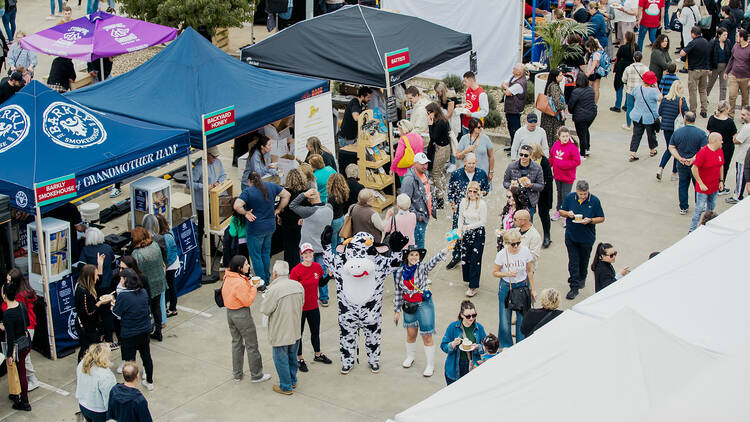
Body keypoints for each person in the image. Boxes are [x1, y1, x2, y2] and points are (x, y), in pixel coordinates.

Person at [394, 241, 453, 377]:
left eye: (416, 255)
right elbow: (398, 292)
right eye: (412, 255)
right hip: (408, 305)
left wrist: (446, 250)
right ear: (407, 257)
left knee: (427, 335)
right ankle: (410, 357)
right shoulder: (400, 272)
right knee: (411, 333)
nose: (414, 257)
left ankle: (430, 365)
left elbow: (434, 260)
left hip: (424, 304)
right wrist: (397, 310)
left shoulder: (422, 267)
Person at [233, 172, 291, 284]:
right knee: (266, 252)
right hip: (270, 226)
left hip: (255, 228)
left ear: (249, 181)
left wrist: (245, 213)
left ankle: (261, 281)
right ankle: (267, 278)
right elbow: (286, 195)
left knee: (256, 256)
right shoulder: (271, 186)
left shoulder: (248, 192)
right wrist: (278, 209)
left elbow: (236, 205)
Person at [221, 256, 270, 383]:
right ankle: (256, 375)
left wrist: (248, 283)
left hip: (230, 313)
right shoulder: (239, 282)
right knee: (252, 344)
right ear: (239, 268)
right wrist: (254, 287)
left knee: (236, 343)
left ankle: (237, 374)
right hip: (241, 314)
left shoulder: (229, 277)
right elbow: (247, 300)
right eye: (246, 264)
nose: (248, 266)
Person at [260, 261, 304, 395]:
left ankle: (286, 386)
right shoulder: (298, 285)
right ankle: (293, 380)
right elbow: (302, 302)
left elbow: (266, 309)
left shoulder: (274, 289)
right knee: (292, 357)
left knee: (281, 359)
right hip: (295, 328)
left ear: (274, 274)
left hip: (280, 331)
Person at [559, 180, 606, 299]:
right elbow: (561, 211)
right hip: (571, 236)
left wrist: (590, 220)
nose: (583, 196)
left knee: (584, 261)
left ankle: (582, 277)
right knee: (573, 262)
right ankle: (574, 287)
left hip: (586, 238)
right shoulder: (570, 197)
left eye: (585, 194)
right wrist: (567, 214)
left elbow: (601, 218)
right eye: (581, 194)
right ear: (577, 192)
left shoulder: (594, 201)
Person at [290, 244, 332, 373]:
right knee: (299, 334)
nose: (308, 255)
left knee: (315, 332)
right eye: (305, 253)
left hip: (313, 306)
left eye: (310, 253)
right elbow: (292, 290)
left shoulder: (317, 267)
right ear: (301, 255)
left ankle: (318, 354)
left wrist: (329, 276)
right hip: (300, 308)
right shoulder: (296, 271)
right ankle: (299, 358)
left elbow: (321, 283)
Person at [112, 269, 155, 390]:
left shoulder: (123, 296)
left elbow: (117, 314)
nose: (120, 281)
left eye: (121, 279)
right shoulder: (144, 292)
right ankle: (150, 381)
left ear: (126, 280)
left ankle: (131, 385)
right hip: (144, 331)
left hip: (129, 333)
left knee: (130, 361)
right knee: (146, 356)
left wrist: (112, 304)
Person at [290, 188, 333, 306]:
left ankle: (306, 296)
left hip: (307, 248)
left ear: (309, 200)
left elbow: (292, 205)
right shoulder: (329, 208)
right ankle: (324, 297)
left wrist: (303, 194)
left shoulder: (308, 212)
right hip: (322, 246)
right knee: (322, 272)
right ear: (319, 195)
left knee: (305, 273)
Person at [493, 228, 536, 348]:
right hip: (507, 286)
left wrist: (533, 288)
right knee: (504, 319)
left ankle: (520, 345)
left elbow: (529, 270)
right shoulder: (501, 254)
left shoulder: (525, 251)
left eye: (518, 243)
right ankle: (506, 345)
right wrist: (507, 274)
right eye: (513, 244)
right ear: (506, 243)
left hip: (522, 285)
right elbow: (495, 272)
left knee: (522, 318)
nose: (516, 246)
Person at [446, 153, 490, 269]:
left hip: (475, 210)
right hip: (460, 210)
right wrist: (453, 204)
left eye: (474, 163)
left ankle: (469, 256)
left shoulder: (481, 174)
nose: (471, 166)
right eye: (469, 163)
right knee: (457, 232)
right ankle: (456, 256)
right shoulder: (456, 174)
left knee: (473, 235)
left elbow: (486, 188)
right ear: (464, 162)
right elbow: (451, 191)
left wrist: (479, 194)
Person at [2, 269, 39, 390]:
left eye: (9, 281)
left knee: (24, 357)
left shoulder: (19, 296)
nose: (7, 283)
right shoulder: (23, 291)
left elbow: (11, 309)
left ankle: (33, 379)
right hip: (28, 326)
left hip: (26, 328)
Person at [130, 227, 166, 342]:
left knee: (145, 310)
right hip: (159, 281)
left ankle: (145, 333)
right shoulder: (155, 245)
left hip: (145, 286)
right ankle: (158, 331)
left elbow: (135, 272)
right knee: (156, 308)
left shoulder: (136, 254)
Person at [188, 145, 227, 250]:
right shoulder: (199, 168)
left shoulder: (217, 162)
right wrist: (204, 187)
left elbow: (223, 175)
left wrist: (218, 182)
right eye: (213, 157)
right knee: (201, 228)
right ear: (207, 155)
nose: (215, 159)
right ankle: (199, 252)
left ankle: (212, 248)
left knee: (212, 224)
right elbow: (189, 184)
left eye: (215, 157)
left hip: (213, 201)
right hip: (202, 203)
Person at [670, 111, 709, 213]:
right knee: (698, 185)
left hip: (682, 164)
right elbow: (704, 149)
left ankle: (683, 207)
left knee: (683, 184)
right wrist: (693, 159)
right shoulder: (701, 134)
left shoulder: (677, 132)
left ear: (685, 120)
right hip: (696, 165)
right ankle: (699, 205)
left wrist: (679, 158)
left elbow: (671, 147)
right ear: (694, 120)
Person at [440, 300, 487, 385]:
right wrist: (453, 344)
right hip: (454, 367)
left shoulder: (479, 328)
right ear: (462, 315)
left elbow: (486, 346)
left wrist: (478, 347)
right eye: (468, 316)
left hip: (472, 365)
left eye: (474, 315)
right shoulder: (453, 327)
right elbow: (443, 346)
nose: (471, 318)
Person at [3, 279, 32, 411]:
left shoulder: (7, 314)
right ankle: (17, 395)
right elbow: (26, 322)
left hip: (17, 348)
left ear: (4, 295)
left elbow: (10, 337)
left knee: (20, 373)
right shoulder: (21, 305)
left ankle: (24, 401)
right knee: (21, 371)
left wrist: (9, 355)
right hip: (26, 342)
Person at [690, 132, 725, 231]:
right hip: (703, 189)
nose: (722, 141)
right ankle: (692, 230)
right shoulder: (703, 152)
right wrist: (700, 183)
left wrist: (721, 181)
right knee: (699, 209)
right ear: (714, 141)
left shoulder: (719, 150)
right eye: (720, 140)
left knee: (711, 208)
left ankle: (705, 227)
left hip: (714, 187)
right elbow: (694, 168)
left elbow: (721, 165)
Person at [457, 181, 487, 297]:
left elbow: (483, 221)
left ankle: (473, 286)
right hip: (466, 232)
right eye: (470, 191)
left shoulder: (482, 204)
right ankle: (469, 278)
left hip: (478, 232)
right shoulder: (464, 202)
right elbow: (460, 217)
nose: (472, 194)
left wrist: (468, 227)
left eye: (475, 191)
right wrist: (460, 231)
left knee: (475, 259)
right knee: (466, 256)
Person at [75, 261, 108, 362]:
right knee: (86, 349)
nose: (97, 277)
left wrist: (100, 265)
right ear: (89, 277)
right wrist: (99, 303)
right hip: (86, 327)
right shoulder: (82, 292)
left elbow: (99, 281)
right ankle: (81, 366)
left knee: (93, 348)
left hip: (93, 324)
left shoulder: (89, 286)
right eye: (96, 275)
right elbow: (88, 312)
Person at [658, 80, 691, 181]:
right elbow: (687, 114)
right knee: (677, 150)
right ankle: (674, 172)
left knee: (669, 148)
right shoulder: (681, 100)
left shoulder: (665, 99)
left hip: (666, 128)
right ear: (679, 89)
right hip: (677, 129)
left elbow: (660, 112)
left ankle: (661, 168)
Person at [76, 343, 117, 422]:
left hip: (83, 404)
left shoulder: (82, 364)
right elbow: (108, 397)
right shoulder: (106, 375)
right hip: (98, 411)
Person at [401, 153, 434, 249]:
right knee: (417, 246)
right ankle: (416, 263)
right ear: (415, 163)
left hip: (424, 216)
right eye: (422, 164)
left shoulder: (425, 173)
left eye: (426, 163)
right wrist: (417, 216)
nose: (425, 166)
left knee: (420, 242)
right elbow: (404, 202)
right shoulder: (409, 180)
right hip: (417, 220)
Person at [502, 144, 545, 217]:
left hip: (529, 201)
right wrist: (510, 185)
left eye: (526, 155)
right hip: (514, 200)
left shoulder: (537, 168)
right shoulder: (512, 166)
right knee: (512, 222)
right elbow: (505, 182)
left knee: (527, 224)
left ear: (531, 156)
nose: (523, 157)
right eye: (521, 154)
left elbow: (541, 186)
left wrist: (531, 185)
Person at [550, 127, 582, 221]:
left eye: (567, 136)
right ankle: (558, 211)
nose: (565, 138)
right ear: (559, 137)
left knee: (566, 196)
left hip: (568, 177)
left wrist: (563, 165)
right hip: (557, 176)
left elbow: (577, 161)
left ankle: (566, 215)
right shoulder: (556, 145)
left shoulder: (572, 147)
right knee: (559, 194)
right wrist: (548, 165)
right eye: (563, 136)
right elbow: (552, 157)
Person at [628, 70, 661, 161]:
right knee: (651, 134)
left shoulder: (637, 88)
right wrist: (656, 87)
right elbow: (660, 98)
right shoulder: (654, 91)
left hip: (637, 116)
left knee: (636, 134)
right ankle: (652, 150)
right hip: (649, 117)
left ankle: (633, 153)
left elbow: (633, 95)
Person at [706, 100, 737, 195]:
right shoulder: (729, 122)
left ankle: (711, 184)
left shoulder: (712, 118)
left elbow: (708, 129)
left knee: (712, 166)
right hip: (726, 148)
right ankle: (721, 186)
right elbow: (734, 136)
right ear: (726, 109)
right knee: (724, 166)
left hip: (712, 146)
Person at [680, 26, 712, 118]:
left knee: (693, 91)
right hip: (704, 69)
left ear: (693, 33)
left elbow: (682, 53)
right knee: (703, 90)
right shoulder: (706, 42)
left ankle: (693, 111)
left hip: (694, 70)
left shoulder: (693, 43)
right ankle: (704, 110)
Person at [426, 102, 451, 208]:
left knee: (436, 173)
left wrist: (430, 125)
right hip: (442, 147)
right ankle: (439, 194)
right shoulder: (442, 120)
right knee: (439, 172)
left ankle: (440, 198)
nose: (428, 116)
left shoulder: (440, 122)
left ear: (434, 112)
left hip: (441, 149)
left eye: (428, 113)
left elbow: (434, 137)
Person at [279, 169, 306, 267]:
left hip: (287, 222)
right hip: (299, 222)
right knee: (298, 245)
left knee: (288, 245)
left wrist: (279, 216)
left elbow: (281, 207)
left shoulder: (285, 192)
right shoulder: (304, 193)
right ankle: (297, 265)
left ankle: (289, 265)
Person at [155, 215, 179, 318]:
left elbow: (167, 255)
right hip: (173, 262)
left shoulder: (164, 238)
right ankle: (171, 308)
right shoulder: (169, 232)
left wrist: (163, 266)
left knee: (168, 286)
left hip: (169, 265)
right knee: (171, 286)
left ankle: (169, 308)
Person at [569, 73, 598, 156]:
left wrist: (571, 112)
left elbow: (571, 105)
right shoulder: (590, 89)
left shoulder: (576, 91)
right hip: (591, 114)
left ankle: (582, 153)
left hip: (580, 116)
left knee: (581, 134)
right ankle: (587, 148)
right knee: (585, 130)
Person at [532, 144, 554, 248]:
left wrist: (540, 187)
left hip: (543, 193)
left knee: (544, 214)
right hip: (531, 192)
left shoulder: (544, 161)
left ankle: (547, 236)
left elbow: (549, 179)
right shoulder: (527, 161)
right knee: (529, 214)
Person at [725, 29, 750, 120]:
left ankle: (745, 116)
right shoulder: (735, 46)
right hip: (734, 75)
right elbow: (731, 59)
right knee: (732, 96)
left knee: (745, 99)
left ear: (742, 38)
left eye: (737, 36)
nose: (736, 38)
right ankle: (730, 115)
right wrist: (726, 71)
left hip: (746, 78)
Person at [621, 51, 650, 130]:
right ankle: (640, 124)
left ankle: (628, 125)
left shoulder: (628, 68)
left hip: (630, 90)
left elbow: (624, 79)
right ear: (642, 58)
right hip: (641, 91)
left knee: (630, 107)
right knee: (641, 107)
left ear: (633, 58)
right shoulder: (646, 68)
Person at [727, 105, 750, 204]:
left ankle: (738, 195)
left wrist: (735, 135)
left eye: (744, 115)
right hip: (745, 154)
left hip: (743, 156)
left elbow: (736, 140)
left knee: (741, 176)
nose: (741, 116)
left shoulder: (747, 128)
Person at [501, 63, 528, 143]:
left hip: (515, 110)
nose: (513, 69)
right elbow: (503, 84)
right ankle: (512, 144)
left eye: (515, 69)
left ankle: (516, 146)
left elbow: (508, 92)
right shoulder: (514, 77)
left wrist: (506, 88)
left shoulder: (520, 83)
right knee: (510, 127)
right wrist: (507, 88)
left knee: (515, 129)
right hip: (510, 108)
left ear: (519, 72)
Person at [540, 68, 567, 148]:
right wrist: (562, 111)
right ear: (555, 77)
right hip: (553, 117)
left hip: (548, 116)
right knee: (553, 135)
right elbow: (557, 100)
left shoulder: (551, 85)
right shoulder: (554, 86)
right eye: (560, 75)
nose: (562, 77)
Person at [613, 31, 637, 112]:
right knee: (629, 87)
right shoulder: (636, 47)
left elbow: (618, 56)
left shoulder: (623, 47)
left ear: (626, 38)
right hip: (632, 68)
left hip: (621, 67)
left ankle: (617, 105)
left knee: (619, 86)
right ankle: (627, 105)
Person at [327, 173, 350, 252]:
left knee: (333, 243)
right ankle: (340, 255)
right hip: (341, 218)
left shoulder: (332, 197)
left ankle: (335, 259)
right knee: (339, 240)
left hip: (334, 220)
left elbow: (329, 212)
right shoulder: (343, 193)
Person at [708, 27, 731, 102]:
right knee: (710, 84)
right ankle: (705, 97)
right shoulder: (713, 42)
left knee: (723, 86)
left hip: (724, 66)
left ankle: (722, 102)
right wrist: (709, 68)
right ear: (719, 35)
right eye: (724, 35)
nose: (726, 37)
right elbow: (709, 55)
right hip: (715, 66)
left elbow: (730, 54)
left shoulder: (728, 42)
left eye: (726, 35)